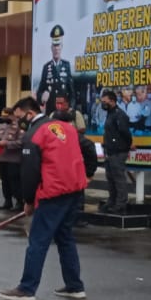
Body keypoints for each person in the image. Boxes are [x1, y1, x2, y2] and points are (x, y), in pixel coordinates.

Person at [0, 96, 93, 300]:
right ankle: (75, 286)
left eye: (19, 117)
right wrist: (88, 174)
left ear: (29, 113)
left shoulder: (34, 134)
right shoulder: (66, 128)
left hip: (53, 191)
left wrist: (29, 200)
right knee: (65, 237)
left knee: (38, 240)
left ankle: (27, 289)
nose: (18, 122)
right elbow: (89, 148)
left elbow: (30, 172)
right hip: (74, 190)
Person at [54, 95, 94, 227]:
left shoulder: (75, 115)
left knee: (78, 192)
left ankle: (78, 217)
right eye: (57, 103)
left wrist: (89, 172)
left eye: (61, 103)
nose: (59, 105)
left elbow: (85, 138)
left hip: (75, 161)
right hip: (60, 165)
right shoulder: (53, 116)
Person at [99, 89, 133, 215]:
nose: (103, 104)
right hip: (109, 151)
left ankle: (120, 204)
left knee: (119, 179)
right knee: (110, 178)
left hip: (118, 152)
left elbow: (125, 133)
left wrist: (125, 146)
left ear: (112, 101)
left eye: (105, 101)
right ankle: (112, 201)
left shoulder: (119, 115)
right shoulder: (110, 113)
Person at [36, 25, 73, 115]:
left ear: (62, 47)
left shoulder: (66, 65)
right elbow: (39, 92)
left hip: (64, 113)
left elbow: (72, 92)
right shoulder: (46, 67)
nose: (56, 48)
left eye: (58, 46)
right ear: (51, 48)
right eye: (54, 46)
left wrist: (71, 108)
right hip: (50, 112)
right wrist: (42, 97)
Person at [0, 108, 24, 211]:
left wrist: (7, 144)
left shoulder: (20, 126)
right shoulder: (3, 126)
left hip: (14, 160)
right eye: (3, 117)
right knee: (5, 181)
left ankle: (19, 202)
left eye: (6, 117)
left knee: (14, 181)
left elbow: (21, 143)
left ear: (12, 115)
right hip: (2, 158)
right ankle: (7, 201)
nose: (4, 119)